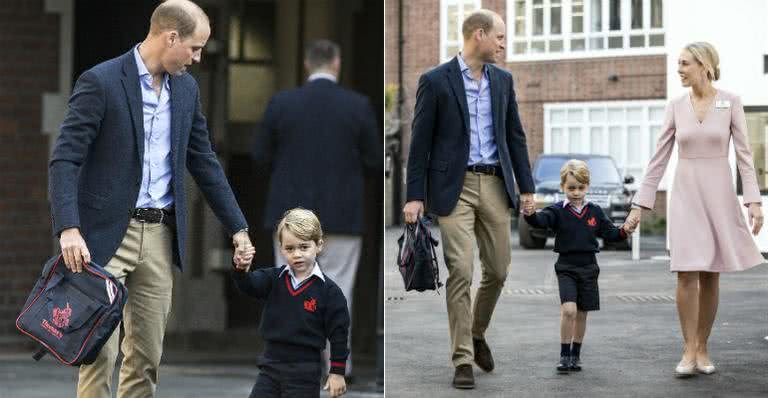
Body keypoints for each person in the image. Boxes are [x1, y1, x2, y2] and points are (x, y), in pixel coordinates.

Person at [48, 1, 254, 396]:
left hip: (159, 235)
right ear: (170, 36)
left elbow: (204, 161)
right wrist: (69, 228)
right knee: (99, 355)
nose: (198, 58)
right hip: (103, 237)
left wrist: (238, 227)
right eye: (194, 48)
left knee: (145, 359)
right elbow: (65, 158)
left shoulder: (187, 90)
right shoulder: (101, 81)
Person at [402, 9, 535, 389]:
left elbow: (516, 136)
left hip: (495, 184)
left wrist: (526, 189)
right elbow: (419, 143)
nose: (504, 44)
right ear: (479, 35)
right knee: (461, 270)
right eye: (500, 37)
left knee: (498, 270)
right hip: (452, 189)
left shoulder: (504, 81)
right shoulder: (435, 81)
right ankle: (462, 358)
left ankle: (476, 334)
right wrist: (414, 196)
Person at [624, 41, 764, 377]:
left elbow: (745, 156)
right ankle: (687, 349)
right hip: (685, 195)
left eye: (685, 63)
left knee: (710, 273)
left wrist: (754, 201)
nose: (680, 70)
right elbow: (659, 158)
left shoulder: (730, 102)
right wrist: (639, 205)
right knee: (686, 272)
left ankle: (703, 345)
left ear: (704, 65)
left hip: (718, 194)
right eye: (679, 64)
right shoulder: (675, 106)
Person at [252, 39, 381, 377]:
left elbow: (260, 156)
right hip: (342, 214)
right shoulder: (358, 105)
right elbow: (373, 160)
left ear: (307, 65)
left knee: (291, 290)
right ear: (336, 63)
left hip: (292, 219)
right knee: (339, 292)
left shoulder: (281, 103)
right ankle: (339, 365)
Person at [522, 160, 635, 373]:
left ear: (587, 187)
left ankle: (576, 355)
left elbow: (611, 233)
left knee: (582, 313)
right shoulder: (557, 211)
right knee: (569, 310)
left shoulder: (595, 212)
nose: (576, 192)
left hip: (589, 268)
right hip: (566, 267)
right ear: (563, 187)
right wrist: (530, 213)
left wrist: (625, 230)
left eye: (580, 188)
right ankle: (564, 355)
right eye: (571, 187)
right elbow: (539, 221)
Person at [233, 208, 349, 398]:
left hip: (305, 372)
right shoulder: (274, 278)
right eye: (290, 248)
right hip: (269, 367)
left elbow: (339, 335)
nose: (297, 254)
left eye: (304, 247)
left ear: (319, 245)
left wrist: (337, 372)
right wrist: (241, 269)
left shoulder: (330, 292)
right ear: (281, 248)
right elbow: (249, 286)